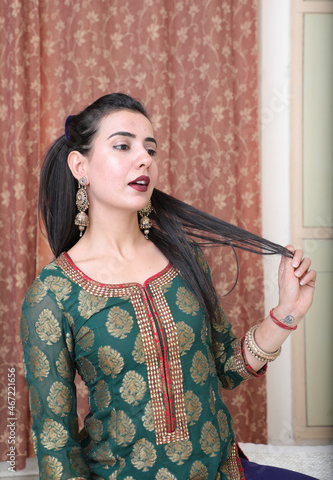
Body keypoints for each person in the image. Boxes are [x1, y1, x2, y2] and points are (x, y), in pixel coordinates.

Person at [21, 93, 317, 480]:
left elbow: (226, 368)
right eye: (123, 146)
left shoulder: (185, 257)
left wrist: (287, 312)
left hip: (224, 472)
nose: (144, 159)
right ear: (80, 166)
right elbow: (55, 445)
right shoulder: (52, 293)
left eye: (150, 149)